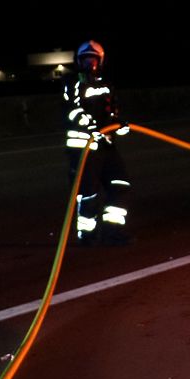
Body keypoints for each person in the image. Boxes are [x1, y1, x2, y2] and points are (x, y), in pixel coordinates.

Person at [63, 40, 133, 246]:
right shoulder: (73, 81)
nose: (90, 63)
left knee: (120, 184)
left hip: (106, 146)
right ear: (79, 61)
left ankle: (113, 232)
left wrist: (118, 125)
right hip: (83, 147)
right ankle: (87, 236)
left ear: (100, 60)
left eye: (93, 59)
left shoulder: (106, 84)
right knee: (88, 193)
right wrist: (92, 128)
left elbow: (112, 112)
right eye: (86, 59)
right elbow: (72, 109)